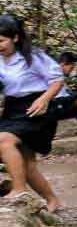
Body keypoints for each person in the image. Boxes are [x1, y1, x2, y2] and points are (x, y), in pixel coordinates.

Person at [0, 15, 64, 211]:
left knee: (4, 140)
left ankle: (19, 190)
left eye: (2, 40)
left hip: (37, 108)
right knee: (26, 164)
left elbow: (57, 79)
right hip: (13, 108)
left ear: (15, 38)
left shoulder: (33, 56)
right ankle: (52, 200)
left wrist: (44, 99)